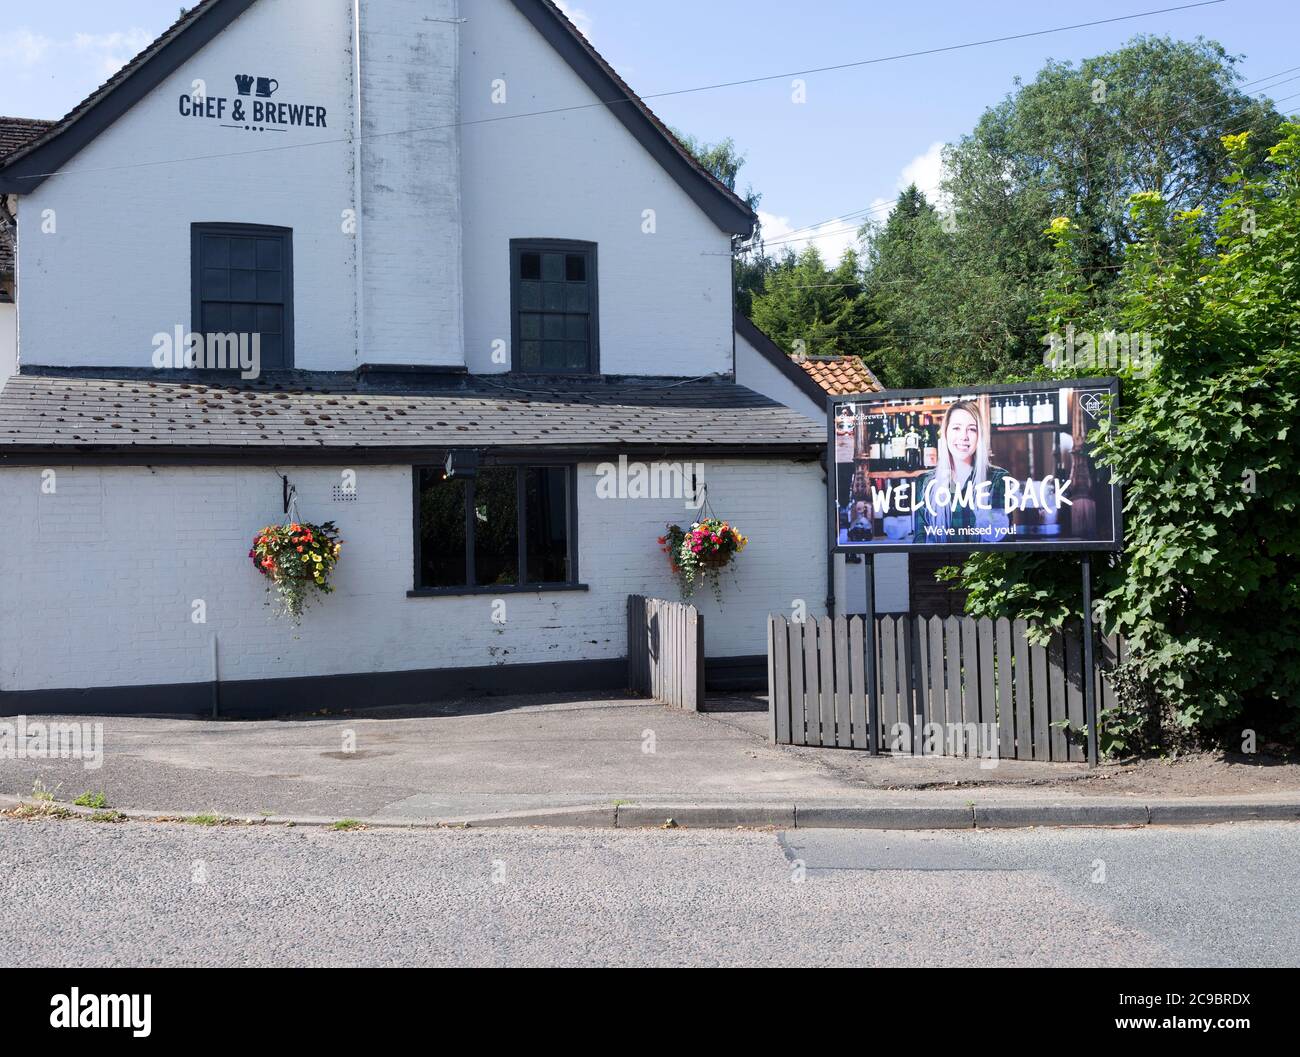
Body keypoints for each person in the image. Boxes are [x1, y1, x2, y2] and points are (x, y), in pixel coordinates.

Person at [911, 401, 1010, 544]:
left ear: (979, 436)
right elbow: (920, 544)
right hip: (938, 565)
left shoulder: (998, 480)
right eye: (956, 428)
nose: (964, 436)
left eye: (972, 429)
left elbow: (1002, 542)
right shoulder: (925, 483)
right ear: (945, 433)